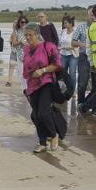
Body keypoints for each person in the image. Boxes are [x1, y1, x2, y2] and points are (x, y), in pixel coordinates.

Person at [22, 23, 63, 153]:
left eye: (31, 35)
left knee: (43, 113)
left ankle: (53, 135)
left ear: (37, 35)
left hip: (46, 82)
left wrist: (43, 70)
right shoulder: (26, 49)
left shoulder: (48, 46)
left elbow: (57, 64)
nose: (28, 38)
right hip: (32, 85)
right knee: (36, 116)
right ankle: (42, 142)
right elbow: (25, 67)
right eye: (26, 35)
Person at [72, 8, 94, 105]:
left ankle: (92, 104)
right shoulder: (81, 27)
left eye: (94, 15)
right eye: (90, 15)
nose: (92, 17)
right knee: (82, 83)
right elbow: (73, 42)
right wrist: (83, 44)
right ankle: (80, 103)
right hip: (84, 57)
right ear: (87, 15)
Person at [59, 16, 78, 94]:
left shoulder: (75, 32)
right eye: (64, 23)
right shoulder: (63, 31)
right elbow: (59, 42)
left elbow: (76, 45)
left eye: (66, 23)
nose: (64, 24)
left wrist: (64, 47)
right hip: (63, 55)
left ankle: (72, 91)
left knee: (72, 73)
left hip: (73, 55)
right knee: (63, 73)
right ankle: (64, 89)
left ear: (71, 23)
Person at [9, 16, 28, 88]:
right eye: (22, 22)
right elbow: (14, 43)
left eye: (25, 22)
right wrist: (20, 42)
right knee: (21, 72)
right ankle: (24, 88)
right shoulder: (15, 32)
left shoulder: (29, 31)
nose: (24, 24)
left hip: (29, 53)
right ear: (19, 23)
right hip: (19, 54)